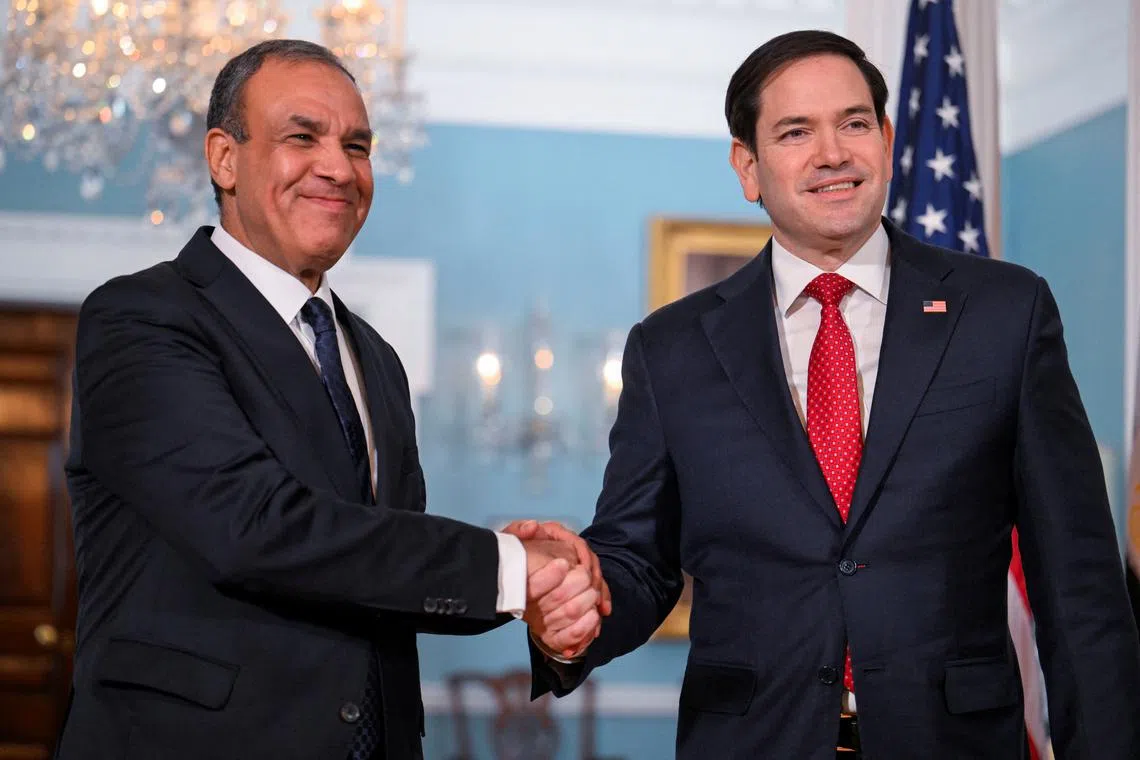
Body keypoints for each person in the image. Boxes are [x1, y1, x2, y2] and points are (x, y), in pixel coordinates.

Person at [521, 29, 1140, 759]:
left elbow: (1078, 584)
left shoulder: (1004, 313)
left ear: (884, 138)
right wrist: (575, 612)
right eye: (795, 132)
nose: (833, 154)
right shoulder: (672, 349)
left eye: (853, 123)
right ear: (747, 166)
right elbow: (638, 559)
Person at [54, 39, 605, 760]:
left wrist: (531, 601)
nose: (339, 169)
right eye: (301, 137)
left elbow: (377, 566)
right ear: (224, 158)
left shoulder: (375, 359)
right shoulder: (140, 319)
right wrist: (507, 567)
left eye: (358, 145)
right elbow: (253, 528)